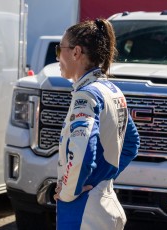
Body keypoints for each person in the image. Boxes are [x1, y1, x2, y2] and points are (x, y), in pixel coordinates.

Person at [53, 18, 140, 230]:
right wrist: (103, 177)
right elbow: (131, 143)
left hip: (84, 210)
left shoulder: (87, 95)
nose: (57, 57)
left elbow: (82, 151)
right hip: (106, 202)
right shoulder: (112, 90)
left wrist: (68, 191)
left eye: (59, 49)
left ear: (76, 52)